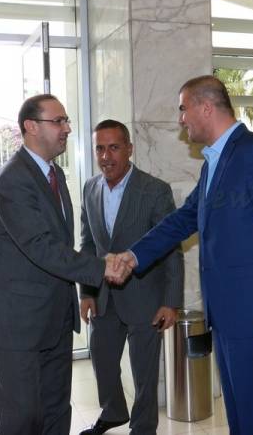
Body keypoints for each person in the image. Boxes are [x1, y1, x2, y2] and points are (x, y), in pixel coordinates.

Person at [113, 75, 253, 435]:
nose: (181, 119)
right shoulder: (214, 163)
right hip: (227, 319)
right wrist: (134, 255)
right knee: (240, 420)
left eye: (183, 109)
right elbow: (184, 218)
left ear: (206, 108)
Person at [0, 94, 120, 435]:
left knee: (56, 412)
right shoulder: (12, 179)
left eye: (67, 121)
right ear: (31, 127)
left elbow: (61, 244)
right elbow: (40, 246)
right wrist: (102, 268)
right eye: (58, 121)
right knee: (23, 419)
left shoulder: (54, 174)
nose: (67, 129)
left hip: (54, 317)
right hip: (15, 322)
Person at [78, 119, 184, 435]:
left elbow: (171, 249)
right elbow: (87, 244)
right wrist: (87, 292)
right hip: (103, 297)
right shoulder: (90, 188)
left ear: (129, 149)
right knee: (102, 359)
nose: (106, 156)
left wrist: (171, 302)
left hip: (145, 298)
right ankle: (113, 412)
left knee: (144, 375)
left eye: (114, 147)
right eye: (100, 148)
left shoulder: (154, 190)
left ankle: (143, 428)